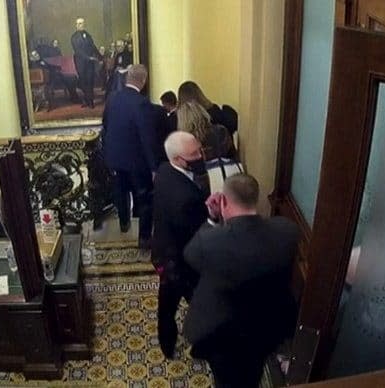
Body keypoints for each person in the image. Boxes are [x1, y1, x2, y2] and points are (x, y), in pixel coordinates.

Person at [183, 173, 300, 388]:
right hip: (267, 326)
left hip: (224, 335)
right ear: (256, 198)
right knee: (252, 372)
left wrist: (212, 219)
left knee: (226, 379)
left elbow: (191, 256)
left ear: (224, 201)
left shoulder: (209, 242)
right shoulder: (287, 231)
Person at [152, 131, 210, 359]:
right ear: (178, 159)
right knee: (202, 306)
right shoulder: (186, 199)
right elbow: (200, 234)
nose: (199, 156)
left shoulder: (165, 170)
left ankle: (167, 345)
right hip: (182, 264)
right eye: (194, 153)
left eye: (198, 149)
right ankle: (201, 346)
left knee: (166, 306)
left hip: (164, 255)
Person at [102, 64, 157, 248]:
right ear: (144, 80)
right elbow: (147, 137)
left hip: (115, 157)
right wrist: (153, 167)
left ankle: (124, 223)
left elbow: (105, 125)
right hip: (136, 161)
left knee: (120, 191)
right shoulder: (142, 103)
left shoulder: (112, 98)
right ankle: (144, 238)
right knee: (144, 197)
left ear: (127, 78)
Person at [71, 17, 102, 108]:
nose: (82, 25)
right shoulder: (74, 37)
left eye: (83, 23)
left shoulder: (88, 35)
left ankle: (90, 101)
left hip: (89, 63)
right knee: (83, 82)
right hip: (80, 63)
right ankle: (86, 100)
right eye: (79, 23)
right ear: (76, 25)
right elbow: (78, 51)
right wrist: (89, 58)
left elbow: (93, 46)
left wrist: (100, 56)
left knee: (90, 81)